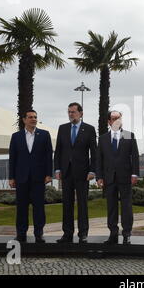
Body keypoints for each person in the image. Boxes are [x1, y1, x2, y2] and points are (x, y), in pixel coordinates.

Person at [54, 102, 97, 244]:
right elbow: (58, 150)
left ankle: (83, 234)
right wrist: (57, 169)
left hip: (83, 173)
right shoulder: (63, 128)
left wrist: (92, 170)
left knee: (82, 204)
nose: (71, 114)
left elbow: (94, 152)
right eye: (69, 112)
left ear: (81, 113)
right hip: (66, 172)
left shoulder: (89, 129)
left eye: (73, 112)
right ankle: (67, 234)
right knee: (67, 204)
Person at [9, 110, 53, 243]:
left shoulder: (44, 135)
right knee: (21, 207)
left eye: (35, 117)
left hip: (39, 178)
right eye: (30, 117)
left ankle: (39, 234)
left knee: (39, 207)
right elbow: (13, 158)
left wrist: (49, 174)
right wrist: (11, 177)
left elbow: (48, 156)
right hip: (21, 178)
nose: (33, 119)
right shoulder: (16, 136)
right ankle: (21, 234)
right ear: (24, 120)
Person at [96, 111, 139, 245]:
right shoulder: (103, 138)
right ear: (109, 121)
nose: (116, 120)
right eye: (113, 118)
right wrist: (99, 177)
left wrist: (134, 174)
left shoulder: (129, 135)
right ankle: (113, 234)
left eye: (118, 118)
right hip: (109, 178)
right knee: (111, 207)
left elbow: (135, 156)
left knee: (126, 206)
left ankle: (127, 234)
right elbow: (99, 159)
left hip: (125, 176)